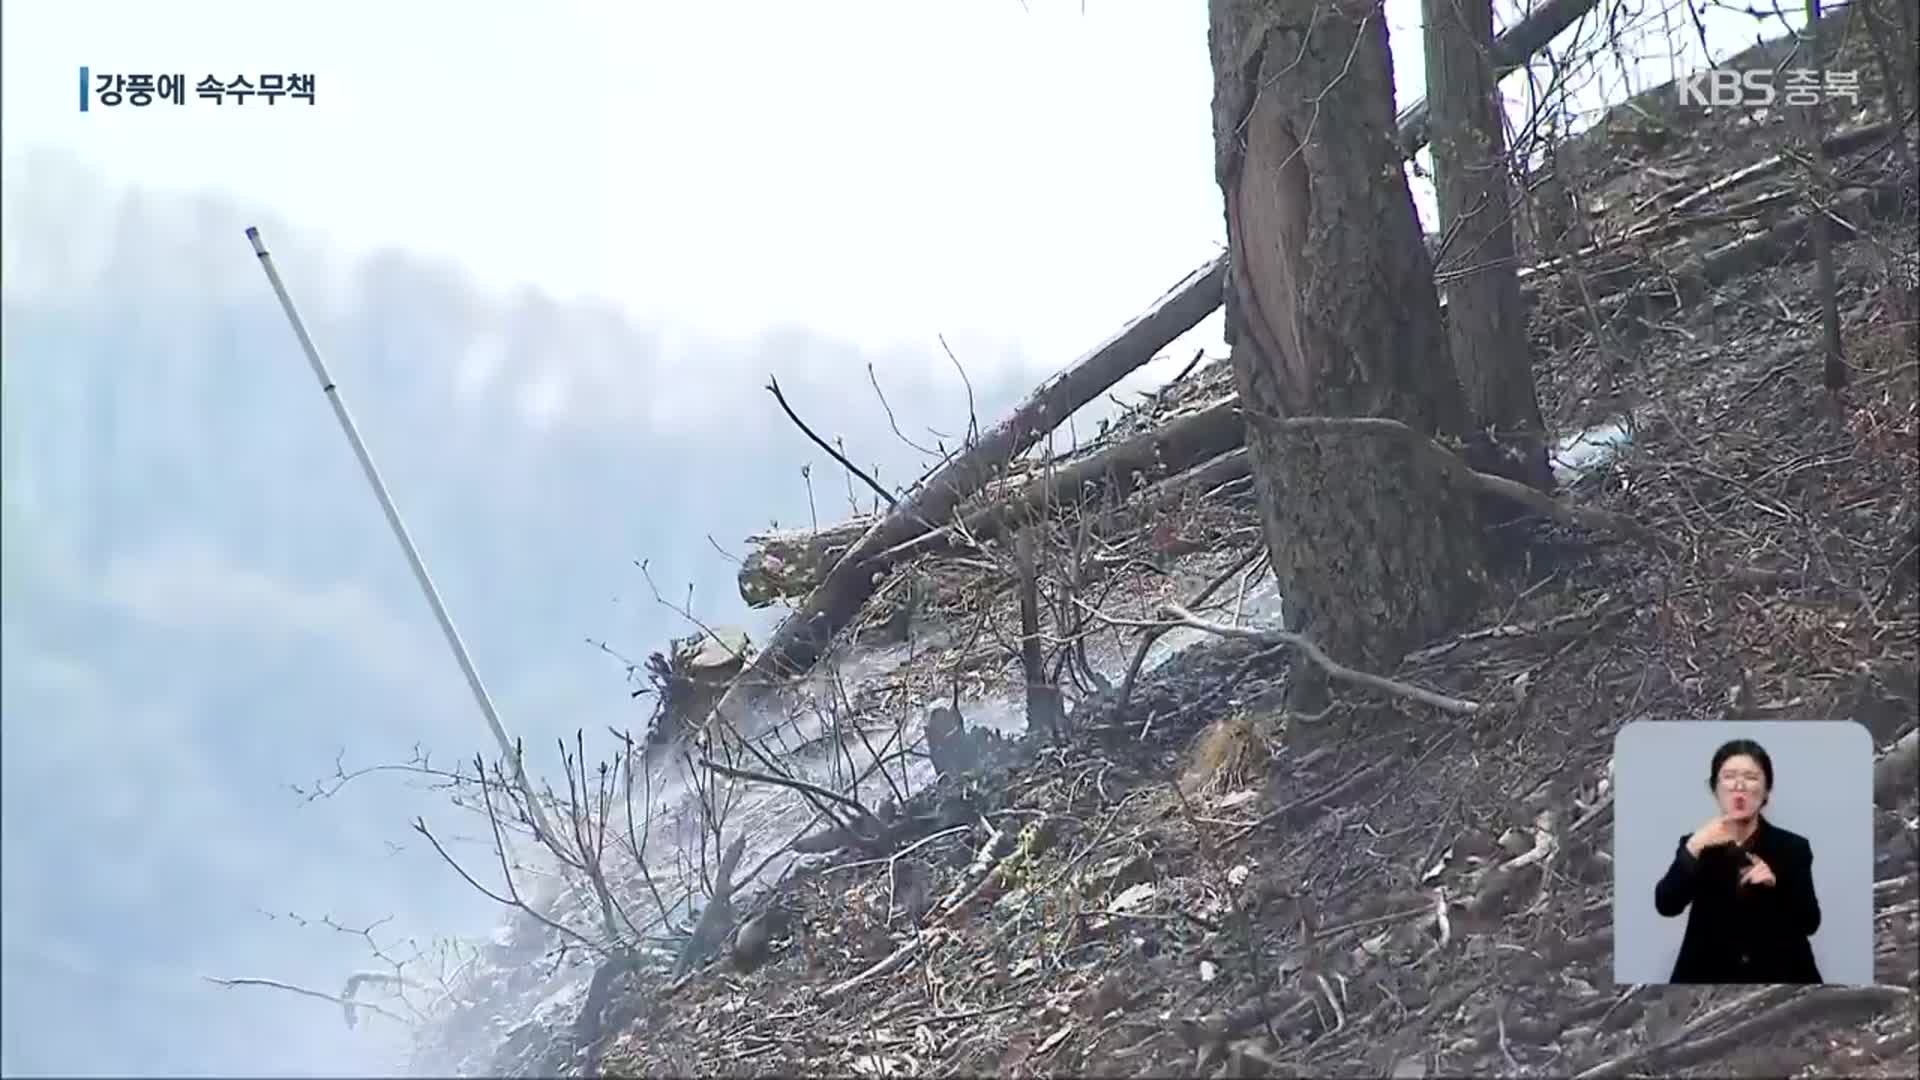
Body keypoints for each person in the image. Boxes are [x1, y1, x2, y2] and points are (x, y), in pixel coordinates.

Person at [1653, 738, 1823, 983]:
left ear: (1766, 791)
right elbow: (1666, 905)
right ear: (1714, 788)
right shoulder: (1695, 845)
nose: (1739, 786)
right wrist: (1694, 847)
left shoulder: (1793, 847)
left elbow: (1810, 923)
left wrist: (1776, 885)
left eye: (1751, 777)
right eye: (1729, 776)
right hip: (1710, 977)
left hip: (1780, 976)